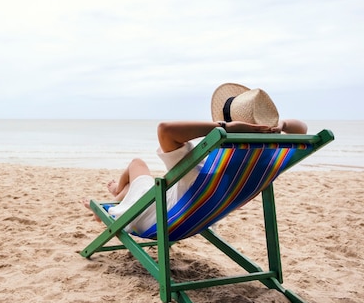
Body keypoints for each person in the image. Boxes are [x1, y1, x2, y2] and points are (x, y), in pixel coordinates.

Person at [83, 83, 308, 236]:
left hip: (157, 219)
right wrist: (282, 125)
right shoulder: (269, 158)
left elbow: (165, 130)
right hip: (197, 218)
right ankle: (122, 194)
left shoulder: (201, 169)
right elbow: (303, 129)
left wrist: (227, 128)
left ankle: (118, 195)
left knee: (136, 164)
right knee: (142, 185)